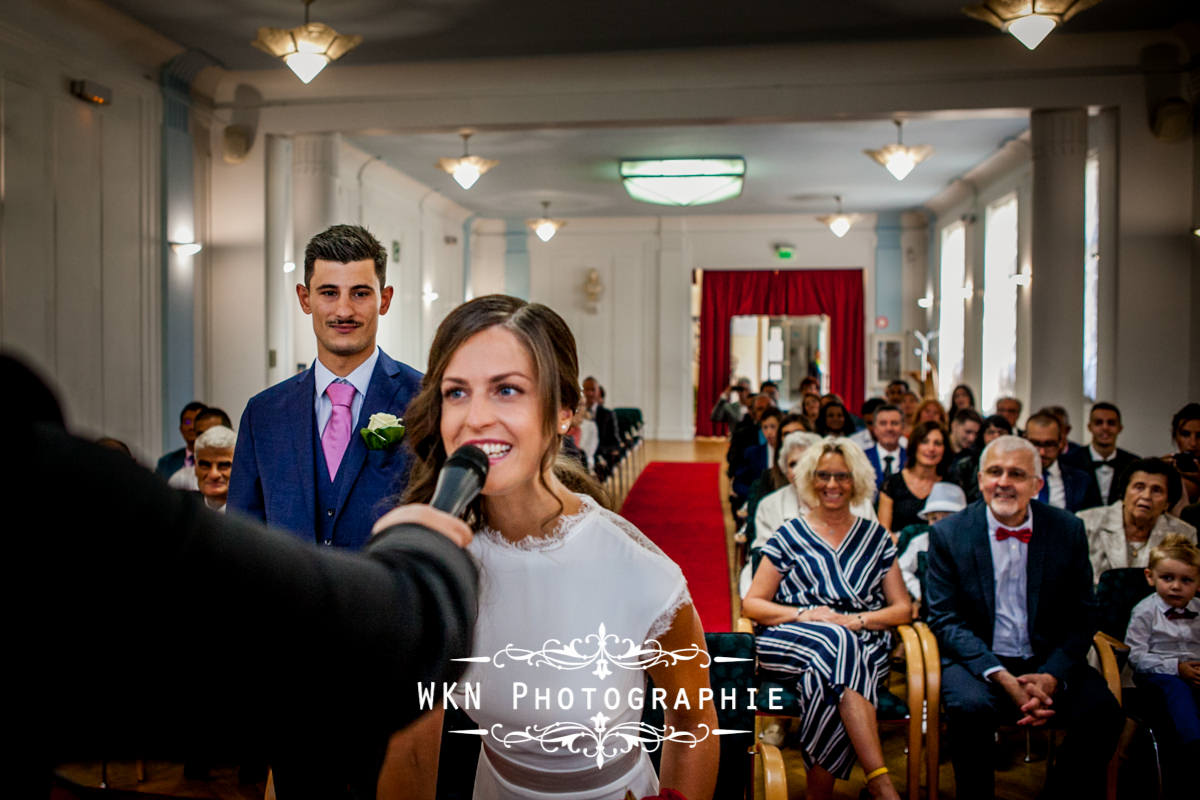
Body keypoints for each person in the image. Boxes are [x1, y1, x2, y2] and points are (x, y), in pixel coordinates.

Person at [5, 352, 478, 800]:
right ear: (305, 298)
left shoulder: (416, 394)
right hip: (333, 640)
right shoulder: (265, 410)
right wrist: (424, 551)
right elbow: (240, 530)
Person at [380, 295, 718, 800]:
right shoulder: (437, 560)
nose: (476, 417)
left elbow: (693, 724)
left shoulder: (639, 571)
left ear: (563, 412)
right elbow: (409, 746)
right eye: (456, 392)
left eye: (507, 390)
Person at [925, 435, 1123, 800]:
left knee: (1103, 712)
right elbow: (944, 618)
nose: (1003, 482)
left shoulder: (1067, 530)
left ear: (1037, 484)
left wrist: (1051, 675)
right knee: (969, 708)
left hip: (1047, 659)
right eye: (995, 472)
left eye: (1016, 474)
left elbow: (1083, 616)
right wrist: (1000, 676)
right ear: (981, 479)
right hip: (977, 660)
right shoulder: (948, 534)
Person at [228, 224, 422, 550]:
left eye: (360, 293)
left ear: (384, 300)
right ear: (305, 299)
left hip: (387, 597)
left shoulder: (424, 400)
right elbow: (241, 538)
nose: (343, 311)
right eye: (329, 293)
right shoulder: (263, 414)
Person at [742, 437, 910, 800]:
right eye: (823, 476)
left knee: (833, 664)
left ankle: (818, 795)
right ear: (809, 479)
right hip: (791, 636)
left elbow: (902, 609)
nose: (832, 485)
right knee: (837, 644)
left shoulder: (875, 537)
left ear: (857, 481)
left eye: (842, 476)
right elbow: (752, 605)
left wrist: (860, 620)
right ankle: (879, 780)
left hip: (861, 641)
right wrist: (804, 614)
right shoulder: (789, 534)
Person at [739, 431, 878, 596]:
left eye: (805, 462)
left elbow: (874, 557)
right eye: (793, 464)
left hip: (856, 595)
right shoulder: (770, 506)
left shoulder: (861, 505)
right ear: (784, 469)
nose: (799, 470)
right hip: (792, 594)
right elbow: (762, 563)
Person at [1126, 535, 1200, 771]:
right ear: (1151, 577)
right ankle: (1193, 745)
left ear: (1198, 584)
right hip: (1156, 673)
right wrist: (1176, 668)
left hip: (1195, 669)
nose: (1176, 586)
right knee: (1175, 688)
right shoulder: (1144, 611)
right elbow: (1136, 657)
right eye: (1167, 578)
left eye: (1186, 580)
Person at [1078, 457, 1196, 579]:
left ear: (1168, 503)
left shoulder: (1183, 534)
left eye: (1157, 490)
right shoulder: (1086, 523)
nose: (1146, 496)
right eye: (1139, 487)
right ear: (1124, 493)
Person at [897, 482, 967, 603]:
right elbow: (901, 569)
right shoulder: (920, 542)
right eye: (934, 518)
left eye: (947, 518)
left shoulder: (970, 542)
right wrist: (918, 591)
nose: (939, 524)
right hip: (930, 603)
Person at [1061, 402, 1139, 509]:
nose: (1105, 427)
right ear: (1090, 427)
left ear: (1120, 428)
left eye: (1111, 423)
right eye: (1099, 423)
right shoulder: (1069, 461)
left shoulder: (1133, 463)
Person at [878, 421, 946, 535]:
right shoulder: (892, 483)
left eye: (937, 443)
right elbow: (884, 531)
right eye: (924, 442)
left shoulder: (949, 485)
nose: (931, 448)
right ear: (915, 445)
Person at [1023, 411, 1090, 512]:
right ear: (1025, 441)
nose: (1042, 452)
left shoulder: (1081, 481)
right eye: (1035, 444)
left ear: (1061, 443)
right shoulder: (1009, 478)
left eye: (1049, 444)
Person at [947, 414, 1013, 503]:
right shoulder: (966, 465)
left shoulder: (1015, 463)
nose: (996, 436)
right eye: (991, 432)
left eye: (1001, 432)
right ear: (982, 436)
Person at [168, 407, 233, 490]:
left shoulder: (247, 481)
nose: (214, 475)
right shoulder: (181, 479)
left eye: (213, 433)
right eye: (201, 435)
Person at [155, 400, 207, 479]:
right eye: (187, 422)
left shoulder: (221, 460)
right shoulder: (166, 462)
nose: (191, 427)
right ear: (181, 429)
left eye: (196, 421)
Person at [192, 424, 237, 512]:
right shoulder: (180, 513)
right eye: (205, 465)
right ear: (195, 467)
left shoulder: (256, 517)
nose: (214, 474)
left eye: (223, 465)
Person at [1165, 402, 1200, 508]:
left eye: (1199, 436)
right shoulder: (1166, 465)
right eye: (1185, 434)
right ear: (1175, 436)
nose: (1193, 443)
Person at [863, 404, 906, 490]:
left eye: (894, 423)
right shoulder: (862, 458)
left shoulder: (912, 458)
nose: (889, 428)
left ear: (902, 428)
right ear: (874, 428)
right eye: (883, 423)